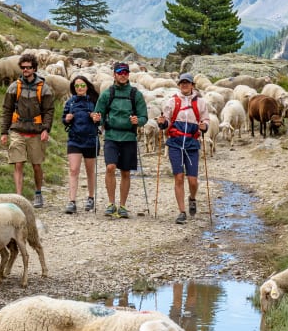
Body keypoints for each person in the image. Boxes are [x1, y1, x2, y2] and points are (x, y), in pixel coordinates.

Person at [93, 62, 148, 218]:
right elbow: (99, 114)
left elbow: (144, 116)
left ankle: (122, 206)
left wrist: (139, 121)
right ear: (114, 74)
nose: (123, 75)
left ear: (128, 75)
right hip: (111, 136)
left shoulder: (135, 94)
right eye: (119, 72)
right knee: (110, 167)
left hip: (129, 137)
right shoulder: (107, 94)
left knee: (125, 171)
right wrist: (97, 119)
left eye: (125, 72)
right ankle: (111, 203)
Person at [0, 53, 55, 208]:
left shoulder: (44, 89)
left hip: (36, 131)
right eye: (23, 67)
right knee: (18, 163)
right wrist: (4, 132)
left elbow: (49, 111)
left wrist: (46, 129)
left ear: (34, 68)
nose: (26, 70)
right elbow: (7, 109)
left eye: (29, 67)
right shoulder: (14, 87)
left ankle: (38, 192)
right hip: (18, 129)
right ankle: (19, 197)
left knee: (36, 165)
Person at [156, 72, 210, 224]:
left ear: (192, 85)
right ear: (179, 85)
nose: (184, 85)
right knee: (178, 177)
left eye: (187, 82)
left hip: (192, 143)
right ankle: (182, 211)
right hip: (175, 142)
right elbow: (166, 119)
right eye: (182, 83)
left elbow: (206, 119)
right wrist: (162, 123)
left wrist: (204, 126)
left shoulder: (200, 103)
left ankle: (192, 198)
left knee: (193, 181)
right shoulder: (172, 102)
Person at [61, 75, 100, 214]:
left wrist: (96, 118)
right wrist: (67, 119)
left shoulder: (94, 101)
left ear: (87, 86)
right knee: (73, 170)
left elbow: (101, 120)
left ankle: (90, 197)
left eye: (82, 85)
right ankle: (72, 201)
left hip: (90, 139)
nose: (80, 88)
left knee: (90, 171)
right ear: (74, 88)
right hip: (74, 139)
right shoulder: (70, 102)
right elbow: (64, 119)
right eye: (77, 86)